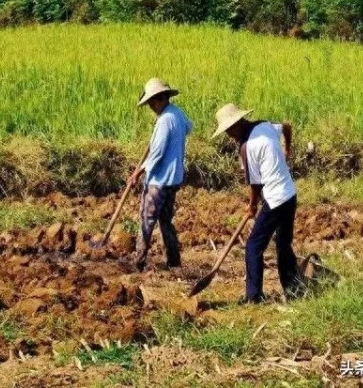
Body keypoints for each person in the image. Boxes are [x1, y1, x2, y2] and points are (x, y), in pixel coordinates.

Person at [212, 103, 304, 303]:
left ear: (237, 124)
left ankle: (253, 297)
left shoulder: (248, 147)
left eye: (229, 130)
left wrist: (252, 205)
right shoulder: (265, 126)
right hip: (290, 194)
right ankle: (293, 290)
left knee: (253, 246)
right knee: (283, 244)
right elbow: (287, 126)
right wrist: (287, 149)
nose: (229, 135)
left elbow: (255, 183)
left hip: (275, 199)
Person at [126, 78, 193, 272]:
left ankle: (138, 261)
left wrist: (137, 173)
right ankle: (174, 262)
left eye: (151, 103)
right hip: (175, 178)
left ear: (159, 99)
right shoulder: (177, 114)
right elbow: (189, 127)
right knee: (166, 220)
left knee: (147, 219)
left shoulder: (164, 120)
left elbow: (156, 154)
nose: (150, 108)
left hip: (159, 180)